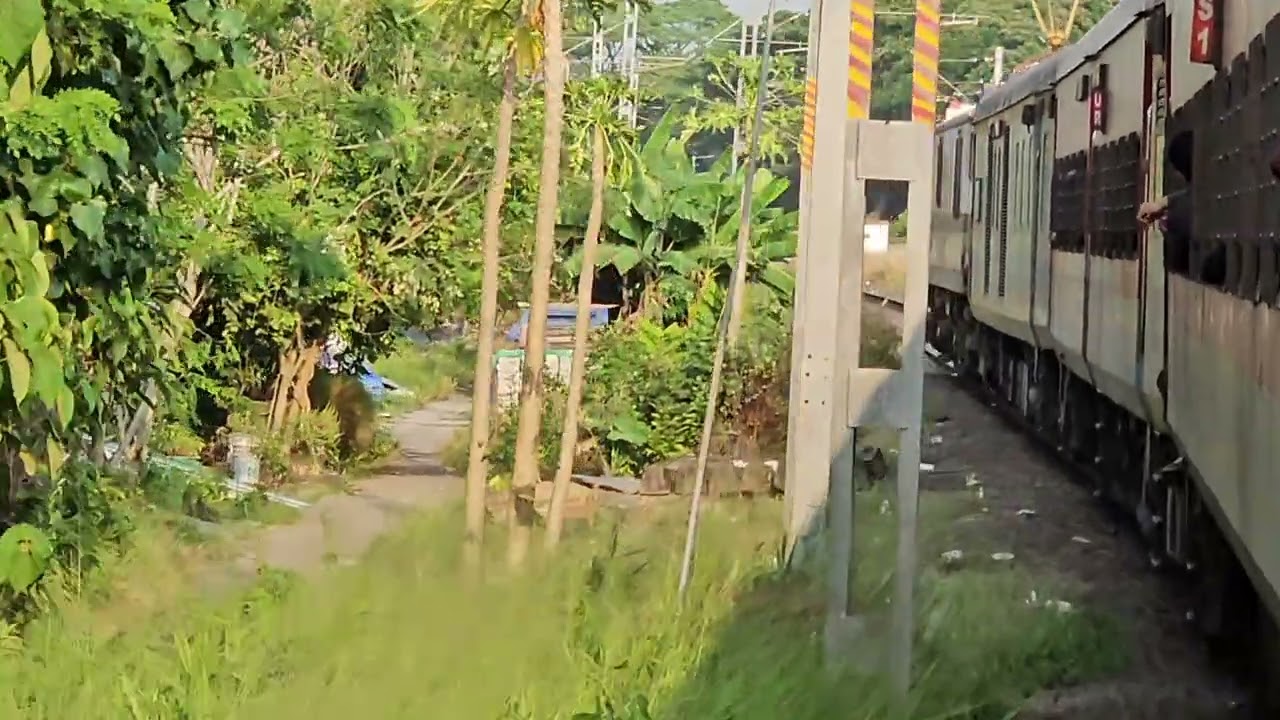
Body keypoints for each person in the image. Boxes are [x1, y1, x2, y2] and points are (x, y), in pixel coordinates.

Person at [1138, 130, 1224, 284]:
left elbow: (1196, 203)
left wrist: (1168, 217)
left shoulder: (1185, 216)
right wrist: (1166, 203)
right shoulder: (1231, 175)